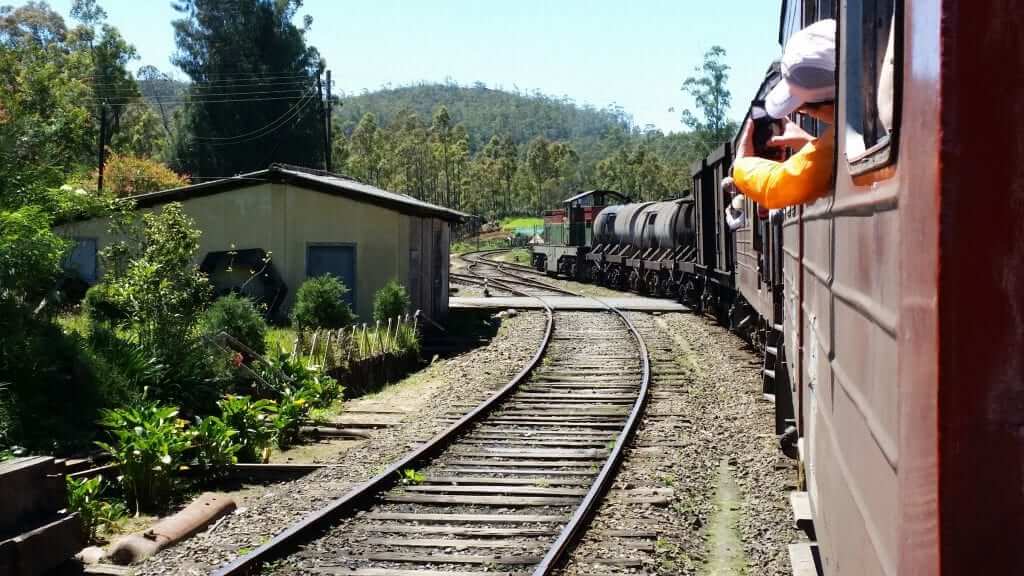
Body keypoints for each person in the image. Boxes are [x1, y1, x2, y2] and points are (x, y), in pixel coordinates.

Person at [732, 19, 836, 209]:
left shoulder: (841, 138)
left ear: (826, 105)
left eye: (802, 109)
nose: (802, 115)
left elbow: (775, 186)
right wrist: (809, 143)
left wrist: (741, 165)